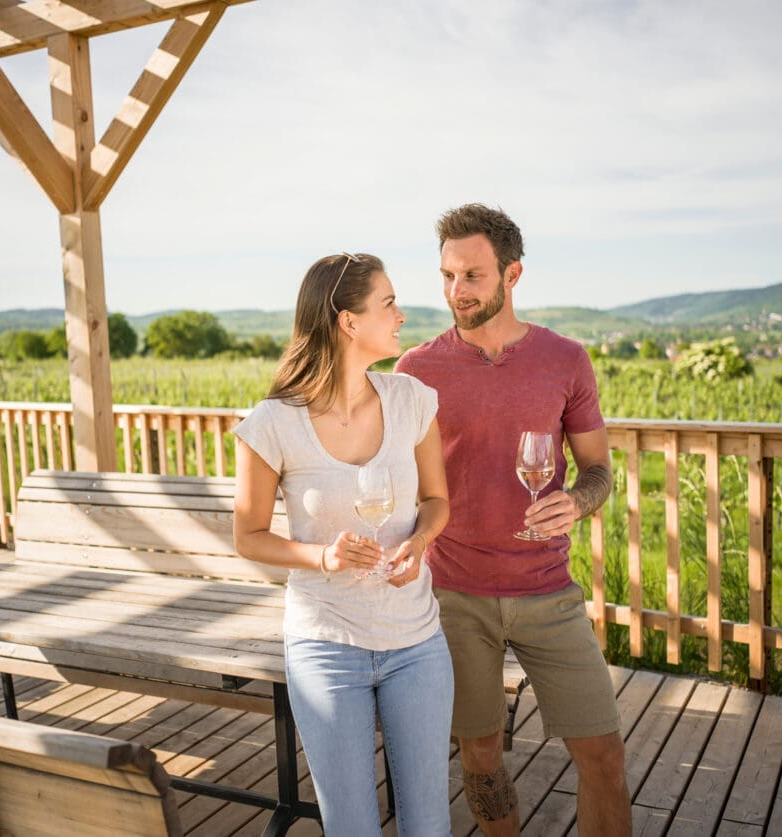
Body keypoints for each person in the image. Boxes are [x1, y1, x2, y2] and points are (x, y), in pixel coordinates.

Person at [394, 204, 631, 836]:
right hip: (453, 595)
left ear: (512, 273)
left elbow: (598, 472)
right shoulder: (416, 370)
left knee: (604, 755)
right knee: (479, 756)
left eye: (472, 275)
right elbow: (394, 479)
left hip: (548, 592)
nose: (456, 291)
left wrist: (578, 501)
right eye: (447, 276)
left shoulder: (566, 360)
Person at [233, 252, 453, 836]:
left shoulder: (411, 400)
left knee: (428, 826)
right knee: (352, 828)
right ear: (348, 321)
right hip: (326, 647)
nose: (402, 315)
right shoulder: (273, 423)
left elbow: (437, 501)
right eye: (388, 303)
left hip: (417, 645)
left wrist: (422, 540)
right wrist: (321, 557)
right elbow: (248, 536)